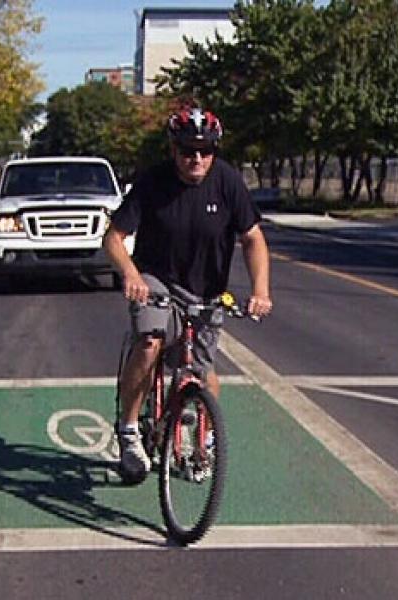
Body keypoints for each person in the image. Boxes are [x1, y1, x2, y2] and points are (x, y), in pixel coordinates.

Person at [102, 104, 273, 483]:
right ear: (173, 149)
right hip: (156, 280)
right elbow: (113, 239)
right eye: (188, 151)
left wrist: (261, 290)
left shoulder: (227, 182)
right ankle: (129, 429)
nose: (197, 159)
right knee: (150, 341)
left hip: (205, 290)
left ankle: (205, 440)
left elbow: (253, 239)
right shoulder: (153, 182)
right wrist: (131, 274)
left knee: (203, 371)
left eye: (206, 151)